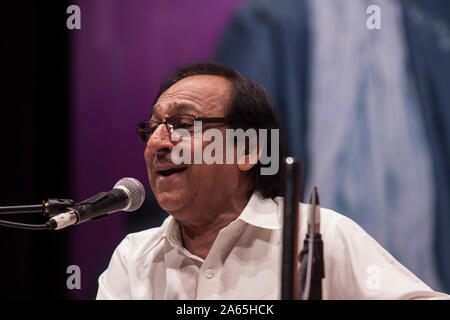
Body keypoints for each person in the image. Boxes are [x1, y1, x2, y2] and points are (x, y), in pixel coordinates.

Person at [96, 62, 448, 300]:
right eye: (151, 127)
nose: (158, 142)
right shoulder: (134, 258)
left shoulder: (317, 235)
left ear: (248, 149)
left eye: (184, 124)